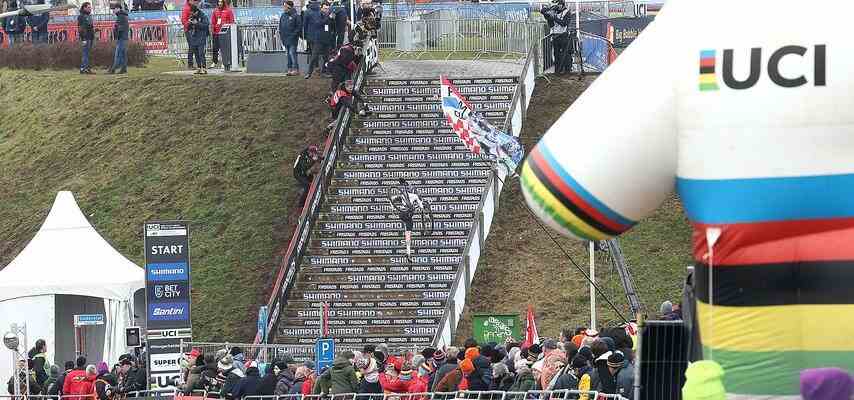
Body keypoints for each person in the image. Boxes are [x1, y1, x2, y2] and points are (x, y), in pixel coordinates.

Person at [388, 178, 425, 261]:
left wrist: (392, 208)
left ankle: (408, 252)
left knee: (407, 232)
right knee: (408, 232)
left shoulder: (401, 196)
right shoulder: (414, 196)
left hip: (401, 214)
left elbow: (391, 199)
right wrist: (422, 209)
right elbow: (422, 206)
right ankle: (408, 252)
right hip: (408, 214)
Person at [303, 1, 335, 79]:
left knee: (326, 57)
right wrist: (329, 18)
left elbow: (333, 27)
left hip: (327, 39)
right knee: (314, 56)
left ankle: (324, 72)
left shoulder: (330, 15)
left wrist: (332, 20)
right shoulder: (318, 14)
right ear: (321, 8)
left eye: (327, 8)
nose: (326, 10)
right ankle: (309, 73)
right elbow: (318, 24)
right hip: (319, 39)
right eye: (325, 8)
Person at [541, 0, 574, 74]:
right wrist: (547, 16)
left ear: (562, 5)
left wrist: (554, 17)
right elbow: (551, 24)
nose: (557, 7)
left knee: (566, 55)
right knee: (556, 55)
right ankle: (557, 71)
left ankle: (567, 71)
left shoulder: (567, 12)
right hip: (555, 36)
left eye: (558, 5)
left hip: (564, 35)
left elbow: (564, 23)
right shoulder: (554, 10)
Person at [278, 0, 302, 76]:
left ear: (289, 6)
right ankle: (289, 69)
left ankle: (296, 69)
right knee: (288, 54)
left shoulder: (296, 16)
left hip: (292, 39)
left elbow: (299, 27)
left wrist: (293, 35)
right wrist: (282, 35)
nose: (283, 7)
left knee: (292, 53)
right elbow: (281, 26)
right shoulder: (283, 15)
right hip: (285, 39)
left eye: (285, 6)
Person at [210, 0, 235, 70]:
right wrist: (213, 30)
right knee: (215, 48)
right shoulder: (215, 11)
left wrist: (229, 30)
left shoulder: (229, 11)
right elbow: (213, 21)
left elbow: (232, 21)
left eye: (221, 2)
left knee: (224, 49)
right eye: (219, 2)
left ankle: (224, 62)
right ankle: (214, 62)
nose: (220, 3)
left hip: (225, 33)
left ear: (224, 2)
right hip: (216, 33)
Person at [187, 2, 209, 75]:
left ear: (196, 11)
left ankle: (204, 68)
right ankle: (199, 68)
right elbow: (188, 28)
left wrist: (197, 23)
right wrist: (189, 23)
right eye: (191, 13)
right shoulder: (192, 16)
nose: (192, 15)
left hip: (201, 36)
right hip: (194, 37)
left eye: (193, 13)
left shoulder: (203, 16)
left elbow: (205, 26)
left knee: (201, 53)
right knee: (196, 53)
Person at [108, 2, 129, 74]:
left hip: (121, 37)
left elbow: (119, 28)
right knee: (123, 54)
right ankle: (124, 68)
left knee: (118, 53)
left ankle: (113, 69)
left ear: (118, 8)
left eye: (113, 9)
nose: (113, 11)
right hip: (124, 37)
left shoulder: (120, 16)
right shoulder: (123, 15)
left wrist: (115, 34)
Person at [77, 2, 95, 74]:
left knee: (87, 54)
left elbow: (90, 27)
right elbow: (81, 29)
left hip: (90, 37)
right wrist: (83, 39)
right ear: (84, 8)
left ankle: (86, 68)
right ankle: (83, 68)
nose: (90, 9)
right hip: (86, 38)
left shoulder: (89, 16)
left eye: (90, 8)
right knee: (85, 54)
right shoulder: (81, 16)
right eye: (88, 7)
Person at [181, 0, 199, 69]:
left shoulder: (193, 7)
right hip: (188, 30)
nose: (194, 2)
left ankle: (197, 63)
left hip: (193, 29)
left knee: (194, 46)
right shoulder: (186, 8)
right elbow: (183, 20)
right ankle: (190, 64)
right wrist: (189, 22)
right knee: (192, 46)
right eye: (193, 0)